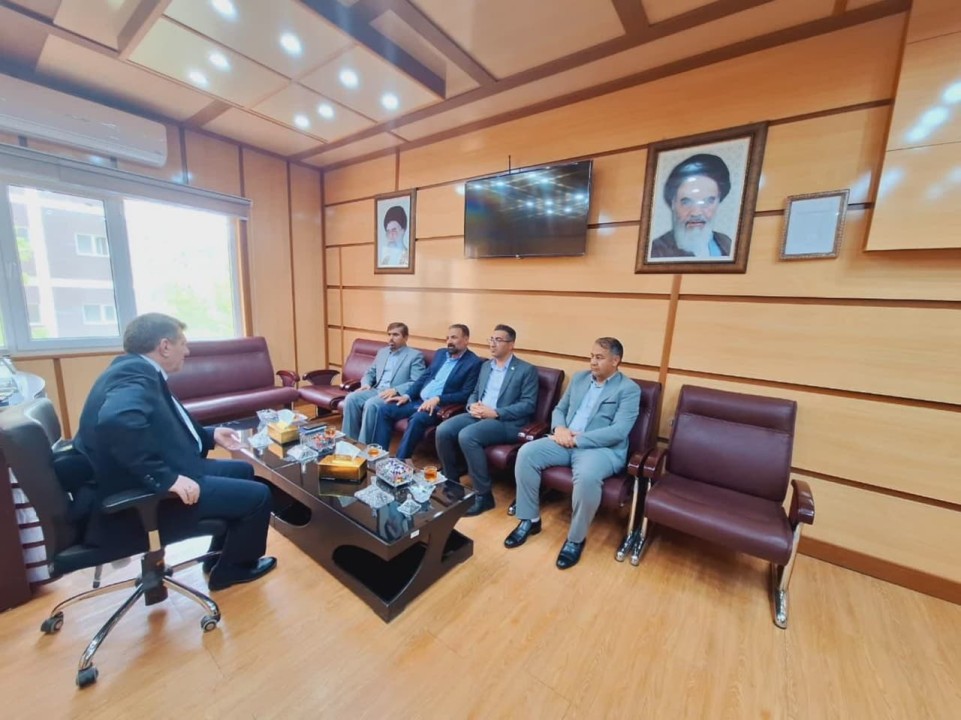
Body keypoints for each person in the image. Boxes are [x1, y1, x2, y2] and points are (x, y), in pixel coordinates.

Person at [74, 313, 276, 591]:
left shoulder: (134, 369)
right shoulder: (134, 375)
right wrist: (165, 478)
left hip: (144, 474)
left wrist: (210, 435)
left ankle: (218, 558)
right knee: (259, 496)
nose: (187, 351)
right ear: (165, 346)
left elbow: (161, 428)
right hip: (140, 495)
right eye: (183, 343)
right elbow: (117, 421)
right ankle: (233, 570)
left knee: (242, 470)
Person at [505, 337, 640, 570]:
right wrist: (559, 429)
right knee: (526, 453)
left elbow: (619, 431)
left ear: (615, 360)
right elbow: (560, 409)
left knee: (587, 477)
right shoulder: (579, 378)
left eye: (599, 358)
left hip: (600, 449)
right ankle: (530, 519)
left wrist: (577, 439)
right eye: (592, 356)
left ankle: (576, 539)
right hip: (564, 440)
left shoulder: (628, 389)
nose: (593, 362)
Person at [434, 324, 538, 517]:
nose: (492, 344)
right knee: (443, 430)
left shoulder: (526, 370)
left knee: (467, 436)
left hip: (506, 421)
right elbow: (475, 393)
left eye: (498, 340)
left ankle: (484, 496)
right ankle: (453, 482)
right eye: (491, 339)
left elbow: (528, 405)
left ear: (511, 344)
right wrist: (472, 406)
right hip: (478, 415)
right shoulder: (485, 366)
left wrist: (496, 412)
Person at [370, 324, 481, 460]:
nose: (449, 341)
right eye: (447, 338)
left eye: (454, 337)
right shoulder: (441, 354)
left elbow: (465, 394)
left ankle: (400, 461)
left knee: (417, 419)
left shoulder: (473, 363)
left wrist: (438, 399)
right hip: (418, 400)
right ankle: (379, 457)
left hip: (439, 407)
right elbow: (424, 377)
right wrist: (407, 395)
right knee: (385, 409)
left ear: (466, 339)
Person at [340, 322, 425, 443]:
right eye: (389, 334)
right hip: (376, 389)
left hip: (394, 394)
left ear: (406, 337)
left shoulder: (415, 355)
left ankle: (364, 446)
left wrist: (396, 390)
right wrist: (366, 384)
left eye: (395, 335)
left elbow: (417, 382)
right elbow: (370, 372)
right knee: (351, 398)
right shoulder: (382, 352)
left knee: (371, 404)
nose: (391, 338)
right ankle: (348, 442)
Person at [650, 153, 734, 259]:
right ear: (673, 203)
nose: (696, 213)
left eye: (708, 201)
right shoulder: (656, 250)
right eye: (686, 202)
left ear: (718, 201)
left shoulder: (726, 243)